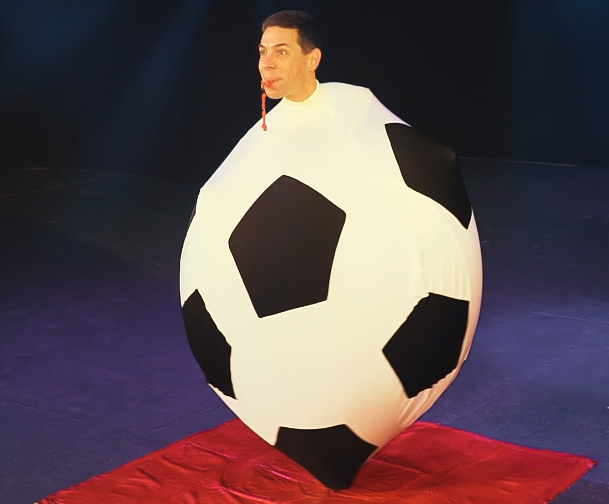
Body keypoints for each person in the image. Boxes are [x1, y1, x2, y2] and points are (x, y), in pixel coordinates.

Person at [258, 10, 322, 103]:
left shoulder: (344, 97)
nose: (266, 64)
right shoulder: (272, 114)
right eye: (263, 52)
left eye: (282, 52)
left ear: (313, 60)